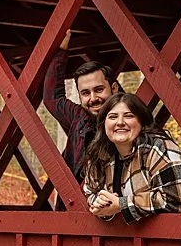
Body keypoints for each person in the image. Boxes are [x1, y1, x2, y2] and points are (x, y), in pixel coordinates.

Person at [83, 91, 181, 221]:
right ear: (104, 124)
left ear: (142, 122)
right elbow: (90, 192)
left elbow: (177, 201)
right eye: (113, 117)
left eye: (128, 116)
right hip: (133, 239)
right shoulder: (100, 154)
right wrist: (101, 203)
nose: (120, 122)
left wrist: (122, 204)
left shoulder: (160, 148)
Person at [38, 47, 125, 193]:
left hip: (120, 209)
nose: (93, 99)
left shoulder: (131, 120)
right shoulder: (77, 116)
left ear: (114, 88)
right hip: (77, 208)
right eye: (85, 93)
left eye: (98, 90)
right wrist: (61, 50)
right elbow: (52, 98)